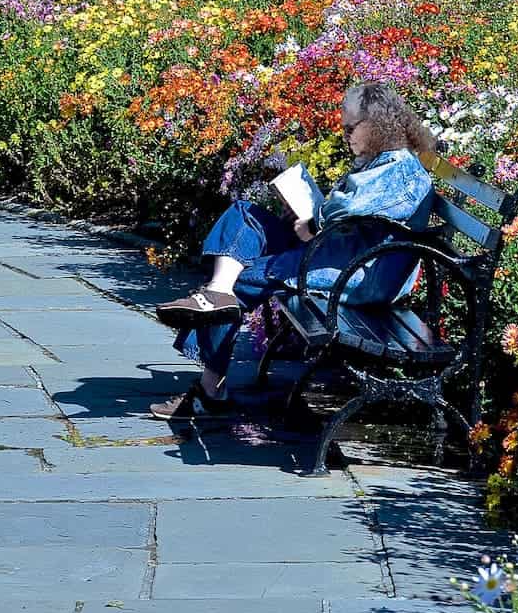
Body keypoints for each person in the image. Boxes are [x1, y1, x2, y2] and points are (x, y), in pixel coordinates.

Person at [149, 82, 437, 420]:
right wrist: (307, 218)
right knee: (245, 215)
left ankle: (211, 391)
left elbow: (343, 209)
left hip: (363, 273)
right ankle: (216, 294)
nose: (345, 134)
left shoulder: (399, 169)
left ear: (377, 123)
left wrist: (312, 223)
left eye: (350, 127)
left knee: (248, 278)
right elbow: (348, 211)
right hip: (342, 253)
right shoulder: (381, 160)